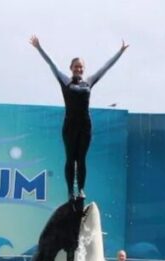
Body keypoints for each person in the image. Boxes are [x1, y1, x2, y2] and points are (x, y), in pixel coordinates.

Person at [30, 35, 128, 201]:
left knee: (81, 160)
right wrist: (39, 48)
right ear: (71, 68)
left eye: (81, 67)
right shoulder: (65, 81)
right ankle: (70, 192)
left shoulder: (88, 83)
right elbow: (51, 64)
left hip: (85, 126)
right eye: (76, 67)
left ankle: (81, 190)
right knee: (70, 159)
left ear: (84, 68)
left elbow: (105, 68)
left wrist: (120, 52)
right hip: (69, 126)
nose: (78, 69)